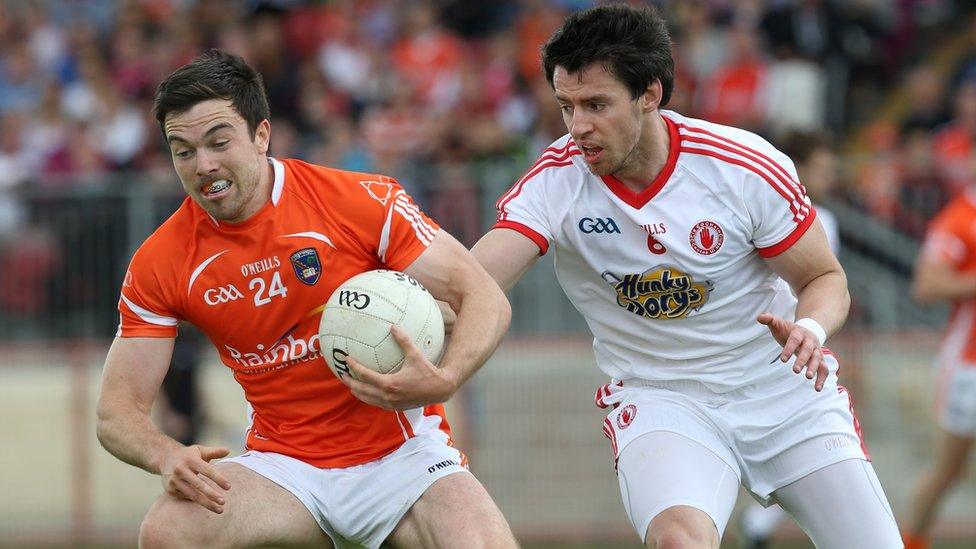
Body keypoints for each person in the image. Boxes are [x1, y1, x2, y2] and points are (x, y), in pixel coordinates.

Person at [468, 5, 902, 548]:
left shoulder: (741, 167)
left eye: (597, 104)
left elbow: (825, 279)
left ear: (650, 93)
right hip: (662, 398)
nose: (578, 126)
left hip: (783, 390)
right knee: (678, 541)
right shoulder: (554, 183)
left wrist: (809, 331)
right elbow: (475, 281)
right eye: (566, 106)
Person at [95, 49, 516, 549]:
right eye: (182, 150)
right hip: (285, 470)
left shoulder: (358, 200)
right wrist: (166, 455)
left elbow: (483, 297)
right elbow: (116, 412)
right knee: (168, 530)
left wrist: (446, 379)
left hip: (405, 460)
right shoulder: (161, 261)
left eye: (218, 141)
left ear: (261, 135)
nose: (203, 164)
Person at [737, 129, 842, 549]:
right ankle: (757, 527)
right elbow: (813, 283)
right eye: (821, 167)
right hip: (781, 354)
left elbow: (826, 289)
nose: (830, 175)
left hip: (796, 345)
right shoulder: (797, 214)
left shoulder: (808, 214)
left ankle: (757, 528)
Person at [902, 189, 976, 549]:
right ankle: (908, 542)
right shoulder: (960, 217)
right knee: (949, 469)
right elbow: (927, 285)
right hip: (969, 366)